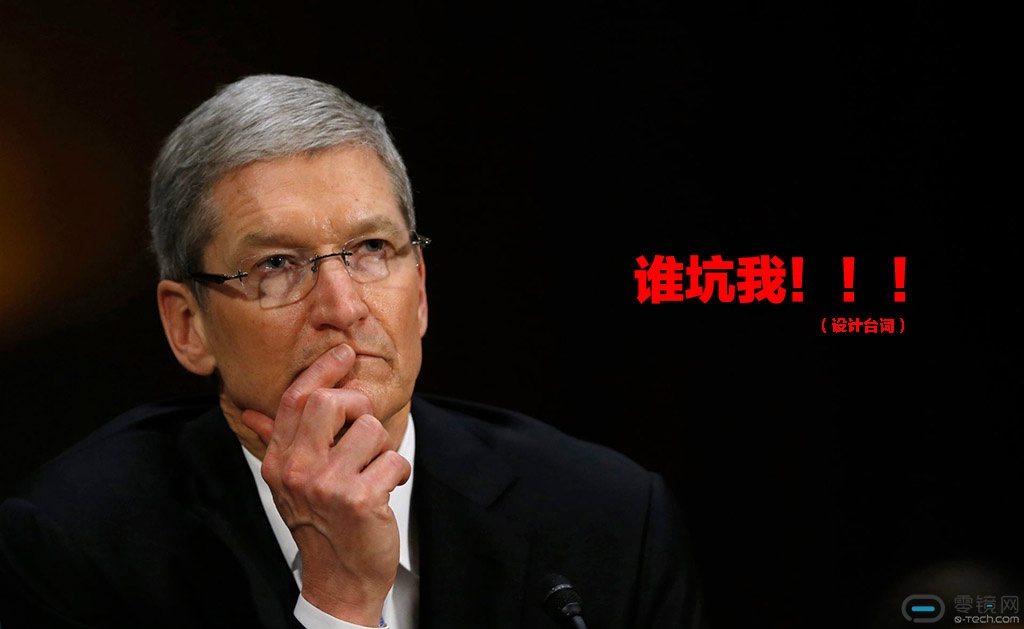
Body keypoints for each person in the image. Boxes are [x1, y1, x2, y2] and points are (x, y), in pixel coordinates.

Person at [0, 74, 707, 629]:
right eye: (276, 265)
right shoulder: (71, 547)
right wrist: (338, 603)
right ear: (189, 326)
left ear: (419, 290)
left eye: (371, 248)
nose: (342, 307)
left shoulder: (609, 518)